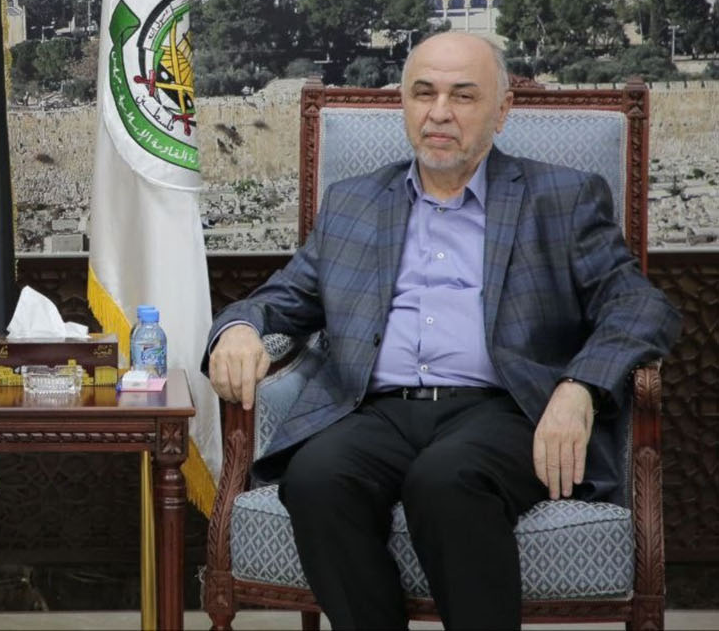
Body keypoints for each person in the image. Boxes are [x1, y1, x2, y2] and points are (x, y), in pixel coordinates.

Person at [204, 32, 679, 630]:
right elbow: (282, 299)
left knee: (446, 481)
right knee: (316, 479)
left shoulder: (562, 197)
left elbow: (641, 306)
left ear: (501, 110)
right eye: (423, 93)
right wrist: (240, 328)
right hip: (375, 410)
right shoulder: (354, 202)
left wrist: (579, 386)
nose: (439, 113)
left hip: (505, 410)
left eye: (463, 96)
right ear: (404, 103)